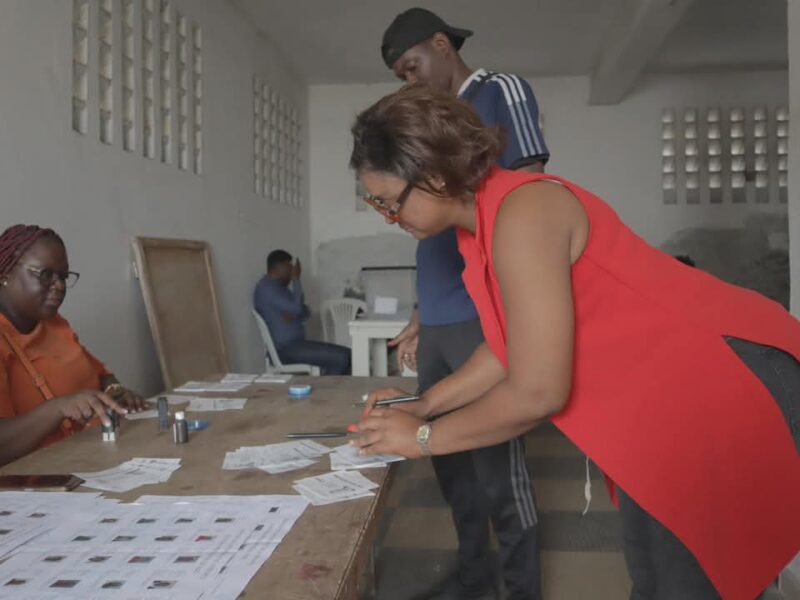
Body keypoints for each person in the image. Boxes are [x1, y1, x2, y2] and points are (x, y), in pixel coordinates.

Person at [349, 86, 800, 600]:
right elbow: (508, 345)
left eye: (389, 204)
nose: (392, 218)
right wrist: (424, 402)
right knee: (657, 569)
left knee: (689, 578)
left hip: (724, 377)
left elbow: (538, 390)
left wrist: (422, 439)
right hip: (661, 405)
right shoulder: (478, 231)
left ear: (430, 175)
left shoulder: (524, 210)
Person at [374, 8, 549, 599]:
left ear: (443, 45)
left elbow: (531, 192)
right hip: (442, 317)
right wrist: (421, 317)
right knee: (453, 472)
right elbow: (432, 234)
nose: (410, 80)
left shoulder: (499, 91)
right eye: (400, 75)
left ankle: (522, 589)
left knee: (499, 465)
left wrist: (510, 302)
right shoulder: (427, 122)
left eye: (412, 65)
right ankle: (475, 579)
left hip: (487, 312)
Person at [0, 225, 143, 467]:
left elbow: (101, 375)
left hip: (93, 459)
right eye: (45, 274)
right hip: (36, 481)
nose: (59, 286)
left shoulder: (54, 324)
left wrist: (114, 391)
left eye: (63, 276)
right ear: (4, 274)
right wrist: (58, 408)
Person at [253, 250, 351, 375]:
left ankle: (326, 388)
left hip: (296, 345)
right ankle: (326, 391)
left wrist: (295, 313)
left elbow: (305, 311)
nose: (291, 271)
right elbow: (298, 308)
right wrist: (296, 279)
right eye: (289, 267)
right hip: (285, 349)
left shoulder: (279, 288)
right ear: (280, 267)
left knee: (347, 355)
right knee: (342, 357)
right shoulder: (268, 289)